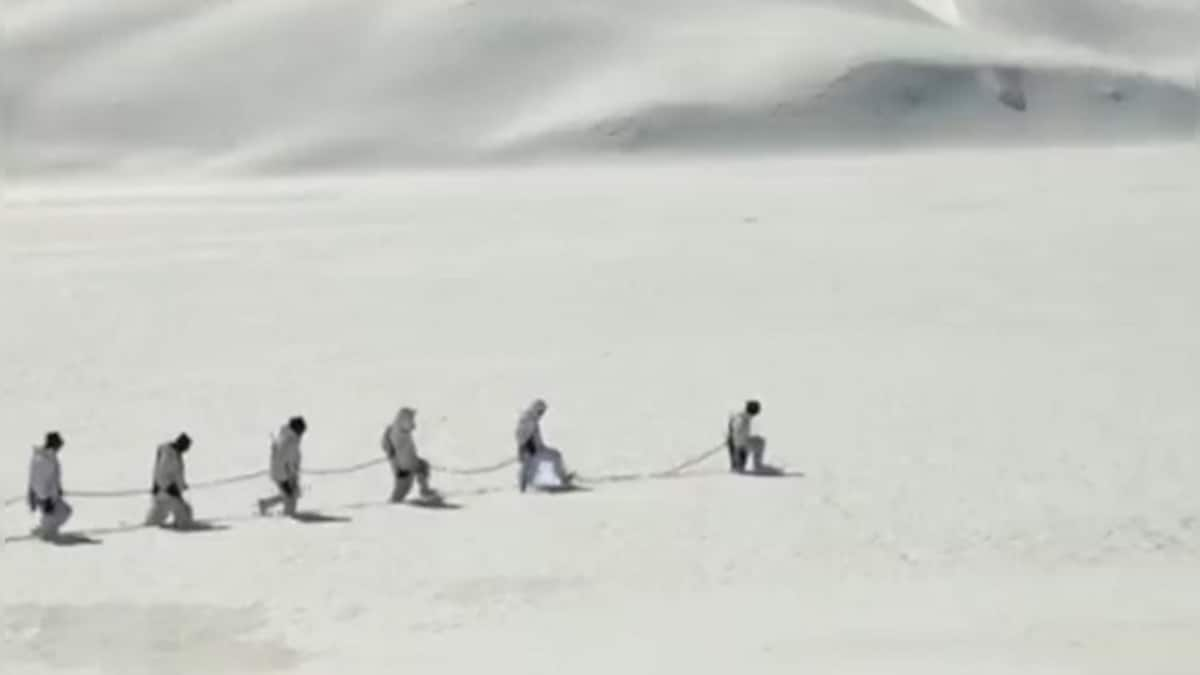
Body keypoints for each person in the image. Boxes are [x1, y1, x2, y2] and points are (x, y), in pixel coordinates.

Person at [381, 407, 440, 503]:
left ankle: (424, 490)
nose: (413, 422)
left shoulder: (395, 429)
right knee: (403, 488)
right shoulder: (399, 431)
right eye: (411, 418)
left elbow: (385, 443)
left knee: (423, 466)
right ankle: (394, 503)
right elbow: (409, 426)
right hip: (405, 465)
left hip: (406, 462)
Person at [515, 399, 573, 491]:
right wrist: (524, 450)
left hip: (536, 449)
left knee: (551, 456)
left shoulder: (530, 419)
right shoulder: (529, 420)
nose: (542, 414)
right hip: (533, 450)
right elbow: (523, 438)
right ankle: (562, 478)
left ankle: (525, 483)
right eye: (541, 411)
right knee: (555, 456)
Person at [27, 431, 72, 540]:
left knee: (64, 511)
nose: (60, 448)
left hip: (47, 494)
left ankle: (45, 529)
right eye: (58, 445)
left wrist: (58, 488)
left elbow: (49, 477)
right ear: (53, 444)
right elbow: (39, 480)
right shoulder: (45, 460)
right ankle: (46, 532)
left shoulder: (46, 456)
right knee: (62, 513)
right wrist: (45, 499)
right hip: (45, 496)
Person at [258, 416, 305, 517]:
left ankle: (265, 504)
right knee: (291, 498)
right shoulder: (290, 441)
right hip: (283, 474)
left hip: (281, 472)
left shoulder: (286, 436)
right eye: (302, 430)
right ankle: (285, 516)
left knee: (291, 494)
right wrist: (291, 479)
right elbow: (288, 461)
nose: (302, 433)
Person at [145, 433, 195, 528]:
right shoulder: (169, 454)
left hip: (163, 492)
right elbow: (162, 472)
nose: (187, 449)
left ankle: (149, 526)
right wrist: (169, 487)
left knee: (157, 515)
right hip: (168, 493)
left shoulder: (172, 453)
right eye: (187, 446)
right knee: (184, 516)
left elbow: (174, 473)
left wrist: (182, 485)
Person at [726, 399, 766, 473]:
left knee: (757, 441)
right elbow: (737, 430)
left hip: (737, 441)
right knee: (760, 442)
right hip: (739, 443)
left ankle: (738, 466)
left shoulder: (743, 416)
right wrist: (736, 441)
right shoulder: (742, 418)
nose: (758, 412)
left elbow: (732, 426)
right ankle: (757, 465)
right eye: (757, 409)